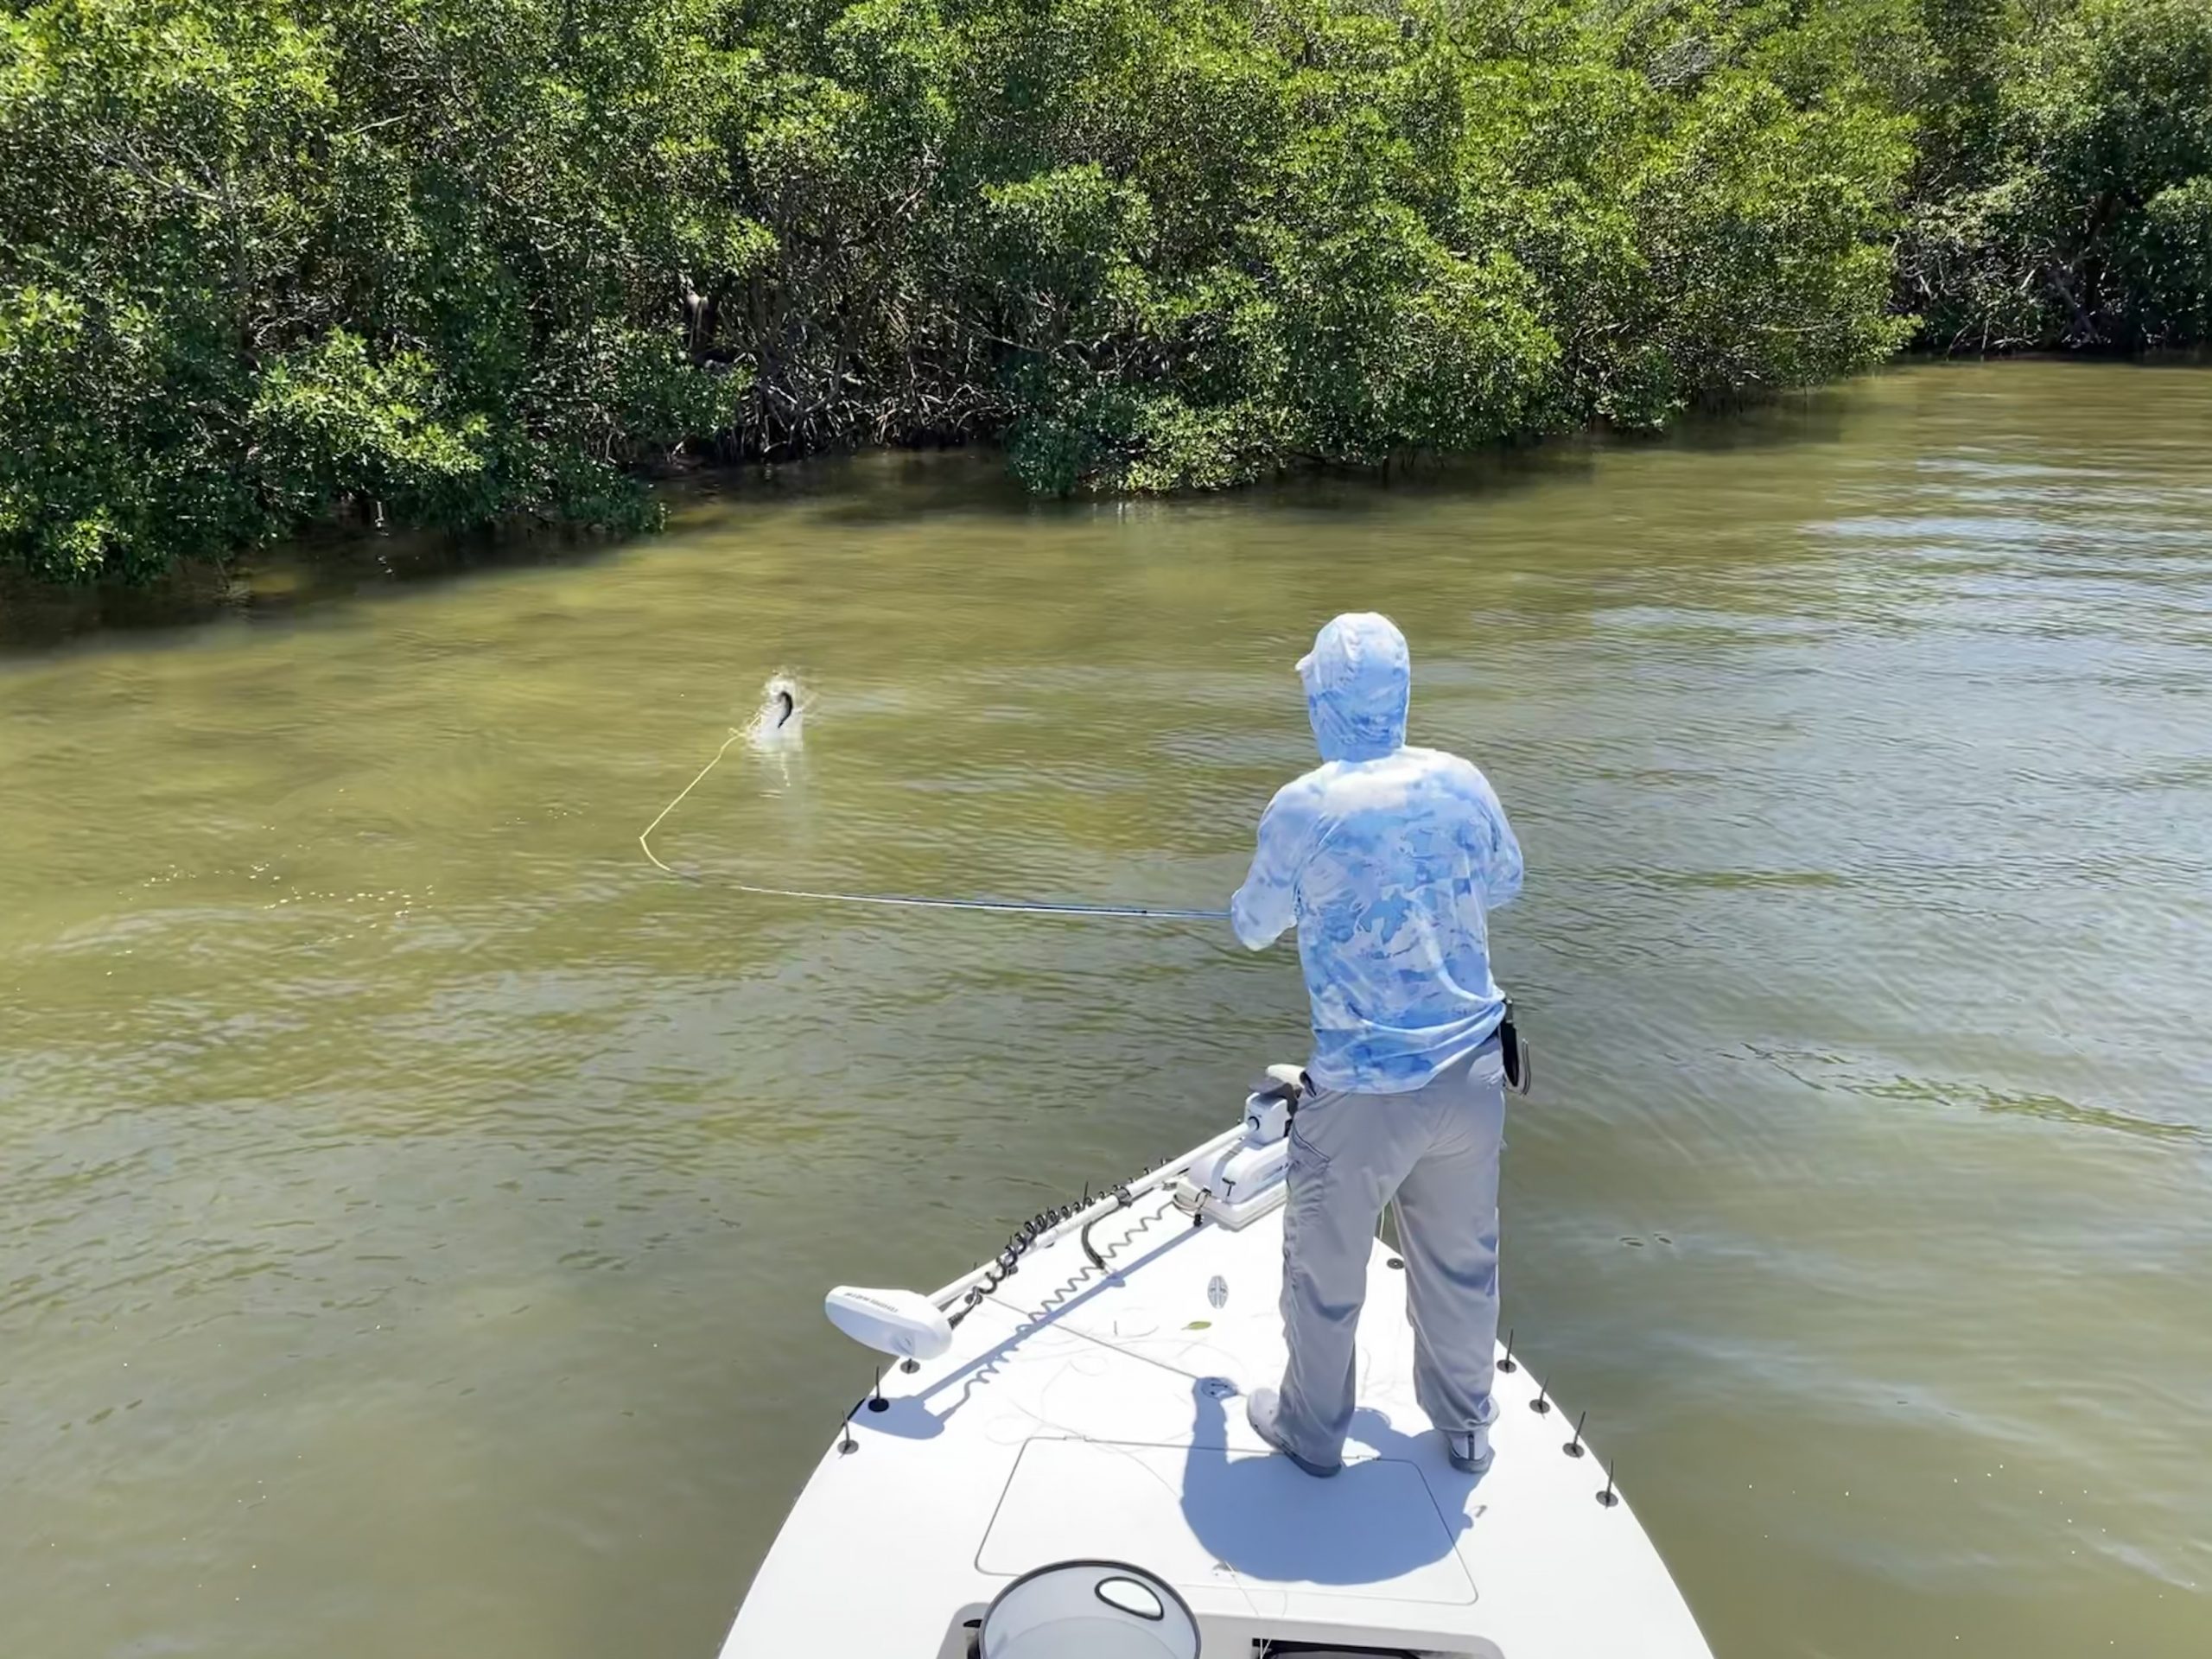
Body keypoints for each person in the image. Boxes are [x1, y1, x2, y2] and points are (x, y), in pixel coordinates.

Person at [1230, 612, 1523, 1478]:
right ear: (1400, 694)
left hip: (1362, 1091)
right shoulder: (1461, 780)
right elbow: (1505, 881)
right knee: (1461, 1260)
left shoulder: (1302, 805)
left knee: (1324, 1274)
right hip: (1472, 1074)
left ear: (1323, 700)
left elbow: (1252, 926)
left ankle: (1313, 1434)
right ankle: (1466, 1428)